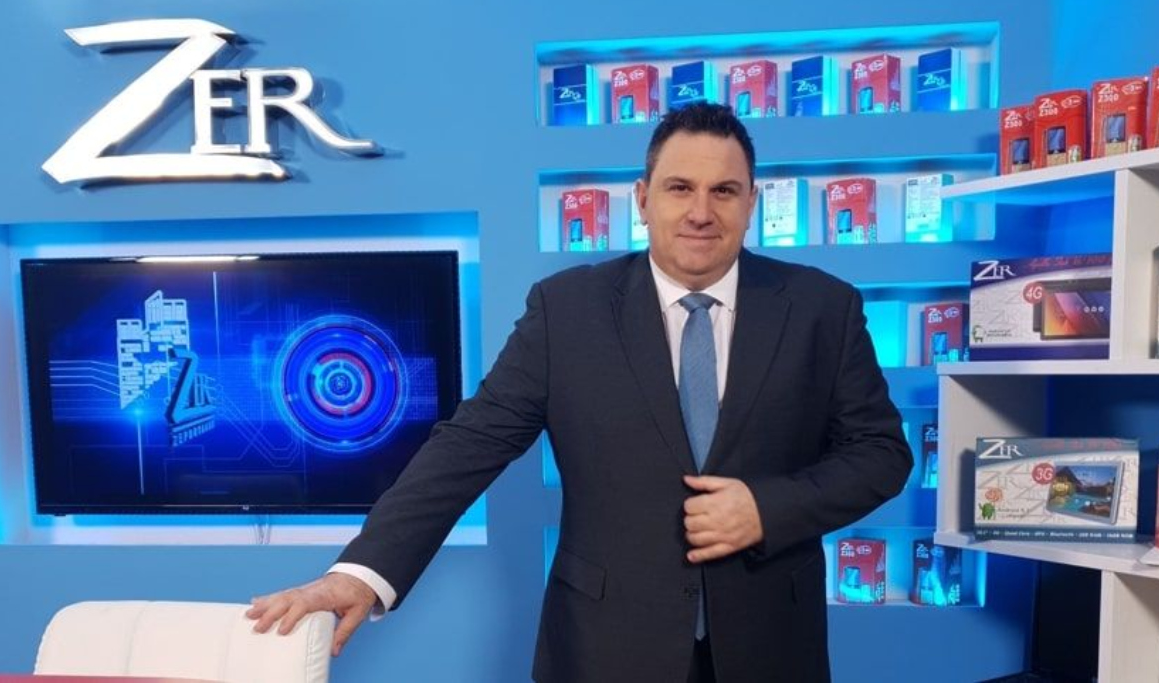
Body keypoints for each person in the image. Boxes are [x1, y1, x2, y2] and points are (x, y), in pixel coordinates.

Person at [247, 102, 912, 683]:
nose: (701, 212)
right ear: (643, 198)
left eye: (724, 191)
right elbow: (468, 444)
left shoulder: (823, 308)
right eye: (680, 188)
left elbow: (881, 453)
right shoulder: (567, 310)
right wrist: (360, 573)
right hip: (603, 650)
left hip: (772, 646)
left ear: (751, 202)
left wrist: (768, 509)